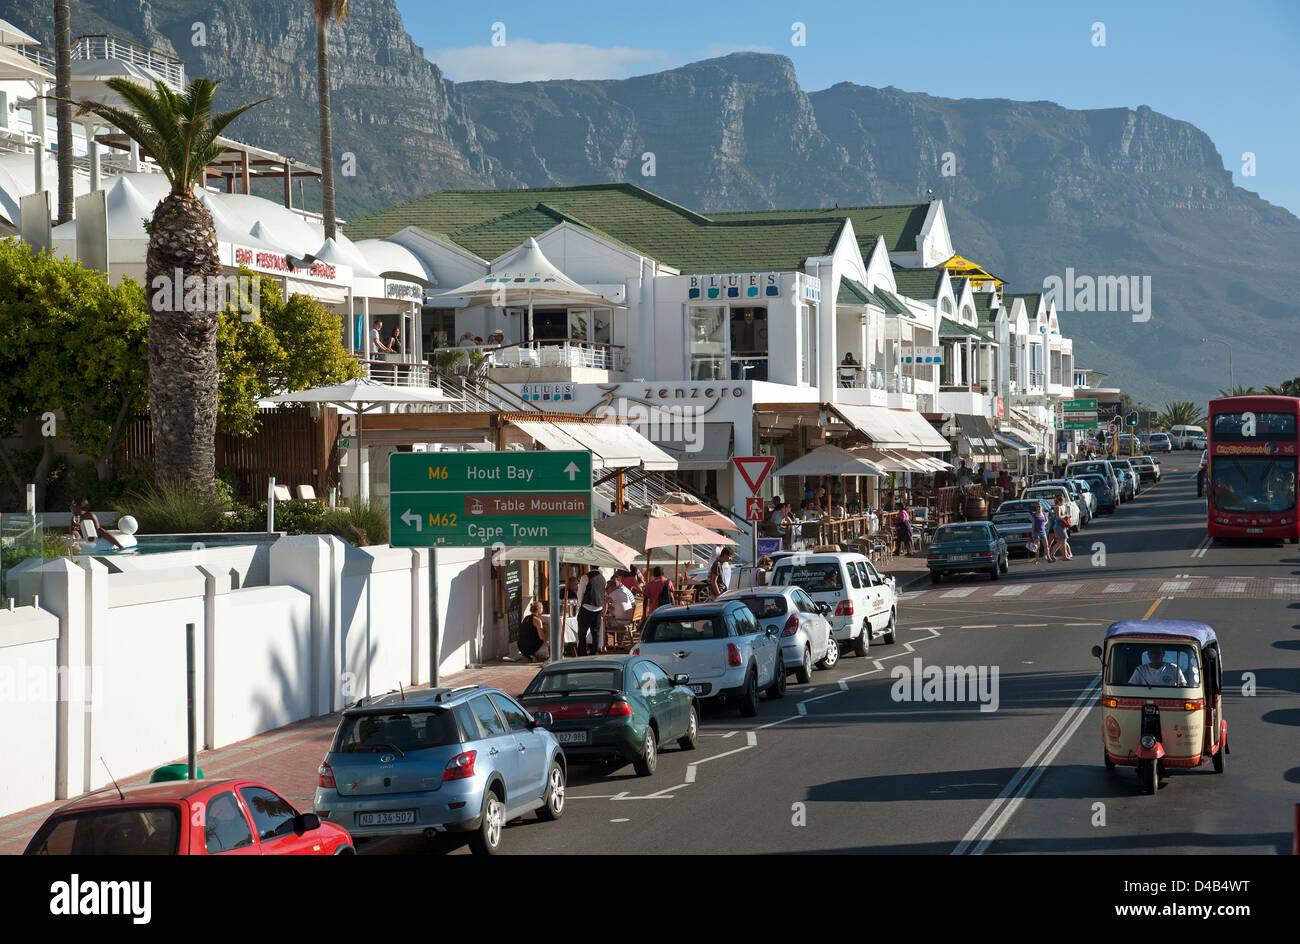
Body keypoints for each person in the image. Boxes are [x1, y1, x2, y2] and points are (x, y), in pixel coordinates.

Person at [575, 566, 606, 656]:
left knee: (582, 633)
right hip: (599, 608)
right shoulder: (603, 578)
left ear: (590, 566)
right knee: (595, 633)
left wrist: (581, 603)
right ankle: (594, 652)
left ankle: (582, 653)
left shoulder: (585, 577)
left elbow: (580, 594)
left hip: (587, 607)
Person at [1048, 494, 1073, 561]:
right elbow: (1058, 517)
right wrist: (1065, 516)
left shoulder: (1062, 506)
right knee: (1063, 541)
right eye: (1061, 501)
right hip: (1058, 526)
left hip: (1061, 526)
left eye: (1063, 501)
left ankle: (1053, 555)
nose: (1062, 502)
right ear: (1059, 501)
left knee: (1060, 543)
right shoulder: (1057, 507)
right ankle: (1064, 556)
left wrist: (1067, 515)